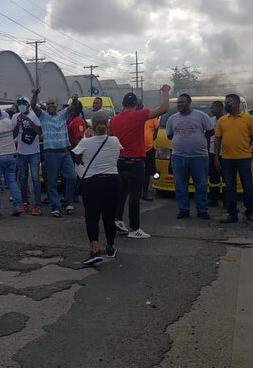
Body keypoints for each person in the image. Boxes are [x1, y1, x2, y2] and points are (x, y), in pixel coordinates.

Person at [111, 86, 171, 238]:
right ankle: (134, 228)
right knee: (135, 196)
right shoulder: (139, 115)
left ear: (122, 103)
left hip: (120, 161)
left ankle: (117, 219)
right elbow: (163, 109)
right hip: (136, 161)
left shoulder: (114, 119)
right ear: (136, 105)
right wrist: (165, 92)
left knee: (121, 193)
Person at [72, 111, 122, 265]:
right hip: (113, 181)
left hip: (92, 182)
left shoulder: (85, 142)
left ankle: (95, 250)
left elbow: (76, 157)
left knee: (92, 217)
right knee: (109, 216)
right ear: (108, 125)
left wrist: (87, 137)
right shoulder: (115, 140)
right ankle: (110, 246)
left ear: (91, 126)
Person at [30, 88, 79, 217]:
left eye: (53, 103)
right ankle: (55, 207)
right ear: (46, 107)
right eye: (48, 104)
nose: (51, 105)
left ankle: (68, 202)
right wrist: (35, 94)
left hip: (65, 152)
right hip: (51, 153)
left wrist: (74, 99)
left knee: (72, 176)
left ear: (56, 106)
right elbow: (33, 105)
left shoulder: (63, 114)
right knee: (51, 182)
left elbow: (72, 107)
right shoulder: (43, 116)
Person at [214, 94, 253, 223]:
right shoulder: (222, 121)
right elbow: (217, 140)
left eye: (228, 102)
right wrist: (217, 159)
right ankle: (232, 214)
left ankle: (250, 212)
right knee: (229, 188)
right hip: (227, 159)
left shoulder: (248, 119)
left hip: (244, 158)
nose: (226, 105)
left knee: (247, 187)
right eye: (225, 102)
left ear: (236, 103)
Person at [166, 94, 214, 220]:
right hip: (178, 156)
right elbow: (170, 135)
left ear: (189, 102)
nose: (180, 104)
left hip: (199, 157)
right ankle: (183, 210)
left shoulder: (201, 116)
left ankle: (202, 210)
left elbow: (210, 131)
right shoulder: (172, 118)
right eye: (178, 102)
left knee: (201, 185)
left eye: (183, 102)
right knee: (180, 185)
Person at [12, 96, 43, 216]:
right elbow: (13, 135)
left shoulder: (34, 115)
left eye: (23, 103)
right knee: (23, 178)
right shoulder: (15, 116)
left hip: (34, 152)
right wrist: (18, 124)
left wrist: (29, 121)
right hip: (21, 152)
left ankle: (38, 204)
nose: (21, 105)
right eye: (19, 103)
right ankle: (24, 202)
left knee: (35, 178)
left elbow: (39, 132)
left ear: (28, 104)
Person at [139, 99, 160, 201]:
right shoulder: (131, 115)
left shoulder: (149, 115)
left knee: (147, 172)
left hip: (148, 149)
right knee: (135, 172)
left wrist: (153, 136)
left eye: (139, 104)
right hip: (135, 150)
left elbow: (157, 127)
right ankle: (135, 192)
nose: (138, 106)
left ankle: (144, 193)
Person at [208, 101, 225, 207]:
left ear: (220, 108)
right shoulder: (210, 121)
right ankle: (213, 199)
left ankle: (226, 199)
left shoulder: (227, 120)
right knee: (213, 177)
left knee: (226, 178)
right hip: (212, 152)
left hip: (225, 152)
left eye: (213, 108)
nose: (211, 110)